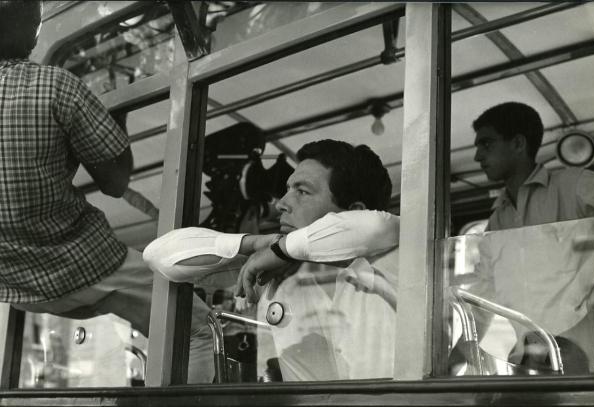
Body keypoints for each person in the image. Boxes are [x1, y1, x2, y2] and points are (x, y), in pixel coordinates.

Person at [0, 1, 213, 384]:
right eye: (34, 25)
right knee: (196, 329)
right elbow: (115, 183)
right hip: (81, 265)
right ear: (24, 29)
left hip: (11, 285)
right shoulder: (54, 85)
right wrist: (116, 114)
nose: (36, 37)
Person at [144, 140, 400, 381]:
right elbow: (160, 255)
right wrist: (256, 244)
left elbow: (378, 226)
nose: (281, 203)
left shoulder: (393, 261)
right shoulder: (272, 268)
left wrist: (283, 249)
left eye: (302, 191)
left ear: (354, 211)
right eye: (288, 190)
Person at [469, 101, 594, 373]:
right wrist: (460, 349)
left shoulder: (575, 186)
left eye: (487, 144)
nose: (477, 157)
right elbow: (484, 292)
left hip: (582, 362)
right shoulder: (497, 220)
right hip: (524, 362)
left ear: (518, 143)